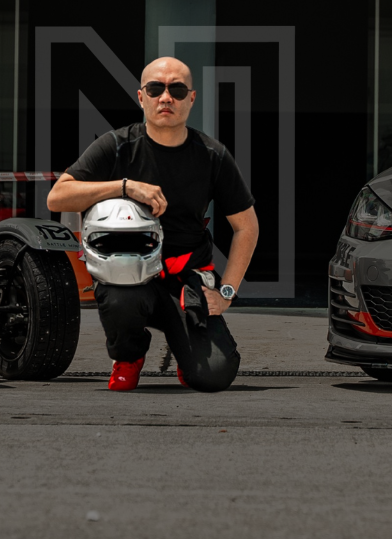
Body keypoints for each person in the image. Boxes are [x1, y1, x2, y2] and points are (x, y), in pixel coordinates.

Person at [47, 56, 260, 392]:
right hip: (127, 276)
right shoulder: (116, 146)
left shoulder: (211, 154)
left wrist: (228, 291)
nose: (166, 98)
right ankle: (128, 355)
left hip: (186, 278)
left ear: (191, 99)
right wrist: (124, 186)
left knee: (213, 375)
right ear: (141, 96)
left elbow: (246, 226)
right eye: (156, 88)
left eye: (177, 90)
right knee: (121, 300)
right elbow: (57, 197)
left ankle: (187, 353)